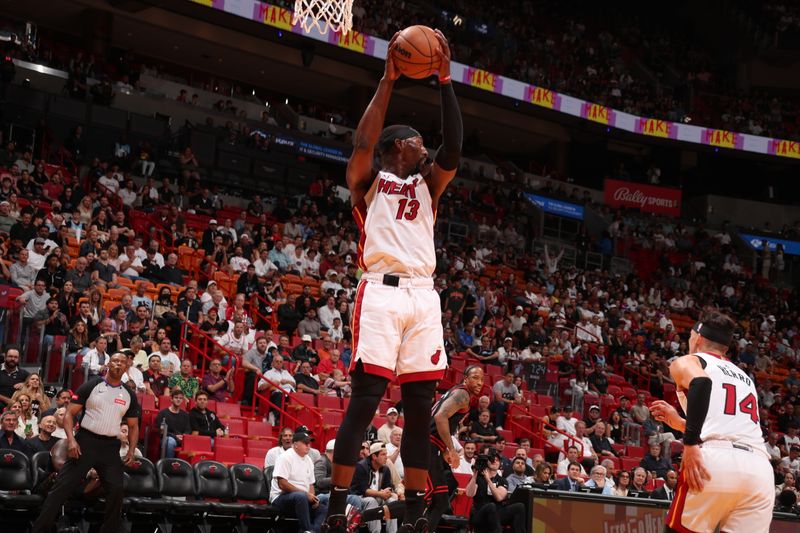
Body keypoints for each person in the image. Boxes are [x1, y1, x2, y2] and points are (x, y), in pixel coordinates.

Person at [323, 29, 461, 533]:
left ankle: (414, 514)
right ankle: (336, 506)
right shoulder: (369, 180)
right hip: (380, 290)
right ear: (400, 145)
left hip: (425, 297)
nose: (427, 147)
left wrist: (445, 81)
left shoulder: (430, 185)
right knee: (365, 400)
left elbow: (454, 146)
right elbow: (363, 140)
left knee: (420, 409)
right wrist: (388, 79)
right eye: (418, 141)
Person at [649, 311, 774, 531]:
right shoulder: (745, 377)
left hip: (714, 462)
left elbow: (700, 382)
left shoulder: (690, 360)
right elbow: (727, 425)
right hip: (760, 471)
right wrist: (679, 422)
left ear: (697, 338)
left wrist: (689, 443)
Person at [31, 353, 139, 533]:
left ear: (126, 366)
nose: (118, 365)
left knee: (117, 490)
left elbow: (134, 426)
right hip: (85, 442)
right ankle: (39, 529)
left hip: (110, 447)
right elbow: (69, 414)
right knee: (61, 488)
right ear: (108, 364)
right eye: (115, 361)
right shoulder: (93, 385)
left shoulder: (129, 394)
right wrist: (72, 440)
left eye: (122, 362)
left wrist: (132, 449)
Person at [425, 366, 484, 531]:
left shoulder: (458, 393)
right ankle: (366, 516)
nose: (479, 382)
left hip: (432, 445)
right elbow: (440, 417)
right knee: (423, 500)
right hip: (427, 445)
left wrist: (444, 450)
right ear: (465, 378)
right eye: (475, 377)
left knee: (441, 501)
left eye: (482, 379)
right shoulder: (463, 394)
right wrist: (451, 449)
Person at [270, 430, 328, 533]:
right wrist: (305, 494)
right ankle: (306, 529)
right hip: (280, 497)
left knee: (323, 509)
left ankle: (312, 531)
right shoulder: (285, 457)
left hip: (301, 498)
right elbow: (282, 484)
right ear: (295, 445)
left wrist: (312, 498)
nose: (308, 446)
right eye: (305, 443)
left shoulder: (308, 460)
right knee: (300, 497)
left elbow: (310, 484)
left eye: (309, 443)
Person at [466, 449, 525, 533]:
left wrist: (488, 480)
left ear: (500, 464)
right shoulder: (477, 478)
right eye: (492, 460)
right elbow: (469, 494)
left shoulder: (502, 480)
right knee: (491, 506)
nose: (494, 461)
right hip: (480, 513)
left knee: (520, 507)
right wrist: (475, 474)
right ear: (487, 462)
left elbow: (499, 498)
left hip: (498, 512)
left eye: (497, 460)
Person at [349, 442, 400, 533]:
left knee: (392, 501)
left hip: (378, 497)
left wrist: (388, 491)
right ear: (374, 457)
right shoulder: (361, 467)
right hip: (360, 498)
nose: (386, 457)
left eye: (386, 454)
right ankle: (375, 531)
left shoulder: (385, 469)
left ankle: (392, 532)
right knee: (372, 501)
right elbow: (363, 490)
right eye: (383, 454)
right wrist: (380, 494)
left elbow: (389, 486)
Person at [154, 389, 191, 458]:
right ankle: (169, 464)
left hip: (182, 439)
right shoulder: (163, 413)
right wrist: (175, 436)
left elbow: (188, 429)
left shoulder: (185, 415)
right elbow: (160, 430)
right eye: (176, 397)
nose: (178, 400)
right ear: (171, 399)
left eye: (180, 398)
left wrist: (184, 436)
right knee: (170, 441)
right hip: (168, 438)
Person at [0, 345, 30, 411]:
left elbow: (37, 385)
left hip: (16, 411)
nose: (13, 359)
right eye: (10, 356)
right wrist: (7, 400)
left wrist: (24, 384)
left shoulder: (24, 374)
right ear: (5, 357)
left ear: (19, 359)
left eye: (15, 357)